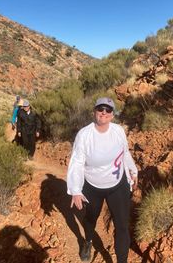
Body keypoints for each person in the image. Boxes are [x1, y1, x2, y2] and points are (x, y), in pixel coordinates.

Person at [67, 97, 138, 263]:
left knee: (121, 225)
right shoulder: (85, 135)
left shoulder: (118, 131)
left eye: (108, 110)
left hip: (117, 184)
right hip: (93, 186)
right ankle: (88, 241)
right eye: (100, 109)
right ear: (94, 112)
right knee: (91, 218)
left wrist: (133, 171)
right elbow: (76, 162)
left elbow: (125, 153)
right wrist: (76, 190)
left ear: (112, 115)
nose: (104, 113)